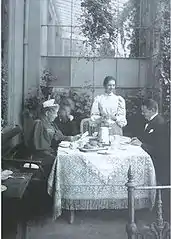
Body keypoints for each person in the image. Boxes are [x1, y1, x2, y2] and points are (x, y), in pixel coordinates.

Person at [31, 99, 80, 178]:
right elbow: (39, 148)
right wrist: (54, 154)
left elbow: (59, 136)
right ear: (47, 113)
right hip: (42, 158)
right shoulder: (39, 123)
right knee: (67, 163)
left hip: (50, 153)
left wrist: (72, 138)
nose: (57, 115)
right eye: (55, 113)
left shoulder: (50, 123)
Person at [130, 99, 170, 185]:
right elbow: (148, 138)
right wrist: (138, 139)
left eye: (144, 111)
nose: (142, 113)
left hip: (158, 164)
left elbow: (161, 150)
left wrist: (141, 145)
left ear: (152, 110)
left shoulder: (160, 123)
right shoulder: (151, 121)